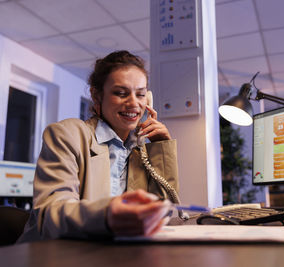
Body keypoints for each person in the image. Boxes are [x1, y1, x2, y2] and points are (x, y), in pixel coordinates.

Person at [18, 50, 179, 242]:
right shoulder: (67, 134)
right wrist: (107, 215)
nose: (134, 103)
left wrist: (161, 147)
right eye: (121, 93)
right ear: (97, 96)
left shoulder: (140, 149)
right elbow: (51, 214)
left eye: (141, 94)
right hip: (54, 254)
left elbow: (164, 212)